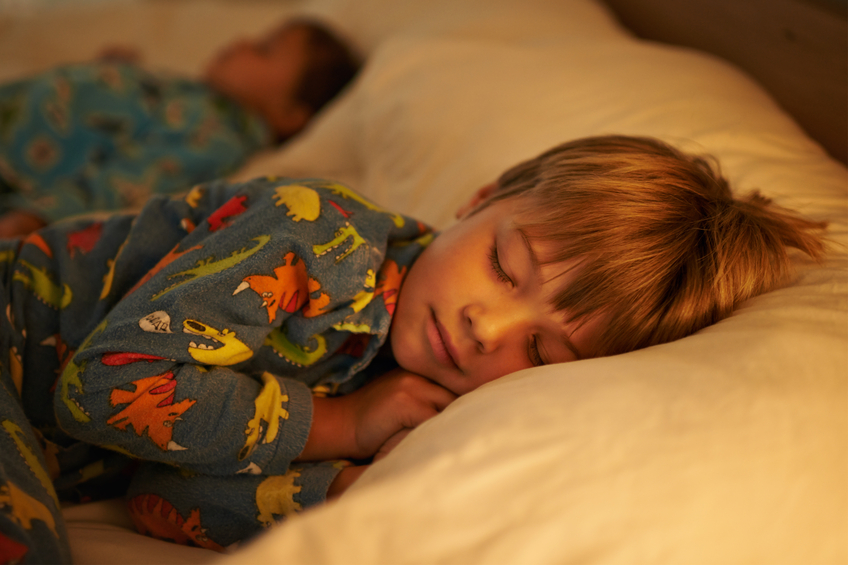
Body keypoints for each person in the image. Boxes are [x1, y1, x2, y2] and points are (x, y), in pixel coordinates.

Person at [0, 136, 826, 561]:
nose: (485, 328)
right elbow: (104, 392)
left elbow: (159, 496)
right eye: (507, 265)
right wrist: (337, 425)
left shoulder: (405, 384)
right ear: (480, 197)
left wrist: (342, 487)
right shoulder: (318, 237)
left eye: (540, 353)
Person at [0, 18, 360, 238]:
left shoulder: (215, 136)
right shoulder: (205, 102)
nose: (241, 42)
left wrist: (36, 216)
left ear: (288, 114)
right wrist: (117, 79)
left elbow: (128, 179)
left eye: (264, 49)